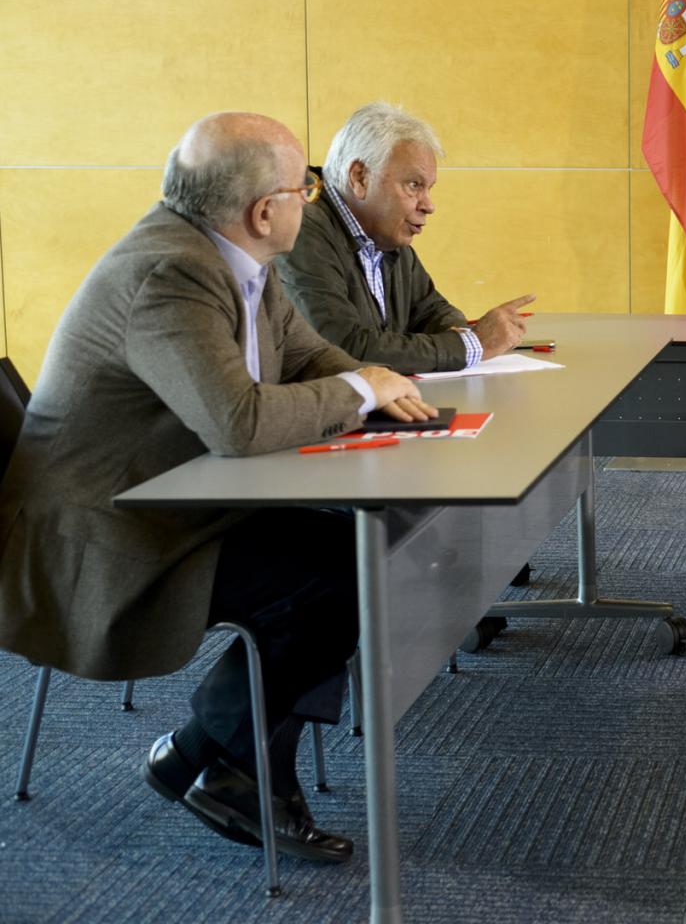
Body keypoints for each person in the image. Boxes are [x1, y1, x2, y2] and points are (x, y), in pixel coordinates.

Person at [0, 112, 434, 863]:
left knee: (358, 546)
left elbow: (306, 355)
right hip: (108, 534)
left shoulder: (233, 254)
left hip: (175, 495)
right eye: (306, 187)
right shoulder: (170, 274)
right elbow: (238, 424)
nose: (312, 199)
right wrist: (360, 389)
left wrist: (375, 386)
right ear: (264, 210)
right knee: (338, 573)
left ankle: (214, 756)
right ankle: (220, 761)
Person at [277, 101, 535, 374]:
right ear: (360, 177)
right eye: (414, 185)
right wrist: (472, 344)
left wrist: (459, 334)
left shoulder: (385, 236)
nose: (428, 205)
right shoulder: (302, 229)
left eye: (428, 188)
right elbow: (343, 349)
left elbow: (432, 311)